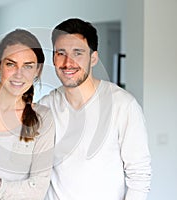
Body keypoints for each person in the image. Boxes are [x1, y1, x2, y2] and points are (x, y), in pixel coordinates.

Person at [39, 18, 152, 200]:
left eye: (78, 53)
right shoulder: (45, 106)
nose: (68, 63)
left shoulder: (122, 105)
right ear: (53, 58)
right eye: (61, 53)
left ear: (93, 58)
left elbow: (139, 175)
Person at [0, 29, 55, 200]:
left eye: (28, 66)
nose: (19, 74)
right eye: (11, 64)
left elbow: (37, 189)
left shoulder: (43, 118)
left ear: (37, 70)